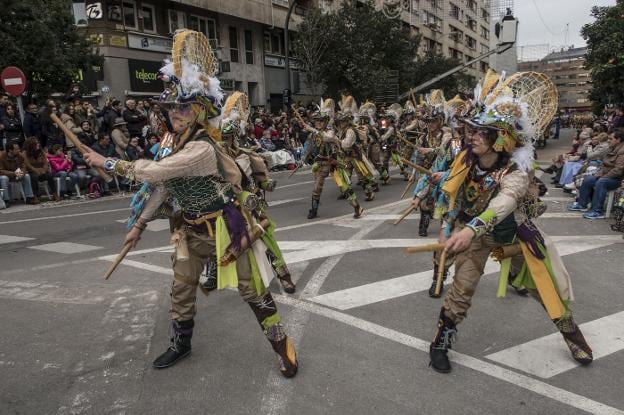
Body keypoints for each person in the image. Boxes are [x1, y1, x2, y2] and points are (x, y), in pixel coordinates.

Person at [84, 29, 299, 376]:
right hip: (190, 230)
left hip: (227, 227)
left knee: (252, 290)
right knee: (181, 287)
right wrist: (139, 225)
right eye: (171, 109)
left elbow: (155, 172)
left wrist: (107, 162)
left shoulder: (199, 148)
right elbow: (166, 187)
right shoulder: (175, 143)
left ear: (200, 111)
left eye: (184, 108)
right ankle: (179, 344)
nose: (176, 114)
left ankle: (282, 345)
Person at [428, 73, 592, 374]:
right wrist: (443, 186)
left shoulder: (516, 171)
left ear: (500, 139)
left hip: (513, 235)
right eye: (472, 130)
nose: (472, 136)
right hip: (474, 237)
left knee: (544, 288)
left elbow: (506, 201)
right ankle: (440, 344)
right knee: (461, 289)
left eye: (481, 132)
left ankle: (571, 334)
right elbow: (454, 187)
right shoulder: (465, 159)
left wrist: (471, 229)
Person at [302, 98, 363, 219]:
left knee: (344, 186)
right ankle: (314, 210)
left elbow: (327, 138)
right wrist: (304, 157)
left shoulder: (330, 132)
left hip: (334, 163)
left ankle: (356, 206)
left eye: (320, 121)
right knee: (316, 188)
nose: (317, 123)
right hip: (320, 163)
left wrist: (313, 130)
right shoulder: (313, 134)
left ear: (325, 122)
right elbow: (309, 147)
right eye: (316, 121)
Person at [568, 131, 624, 219]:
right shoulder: (612, 148)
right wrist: (599, 174)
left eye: (611, 139)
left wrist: (603, 176)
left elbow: (618, 170)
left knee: (601, 182)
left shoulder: (622, 151)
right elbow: (603, 164)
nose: (608, 141)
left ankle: (598, 211)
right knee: (588, 179)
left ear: (619, 140)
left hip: (617, 179)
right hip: (607, 175)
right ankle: (582, 204)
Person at [0, 142, 38, 206]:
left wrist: (21, 174)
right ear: (10, 150)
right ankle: (6, 200)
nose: (19, 150)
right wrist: (13, 173)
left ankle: (29, 197)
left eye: (18, 149)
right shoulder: (2, 157)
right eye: (16, 149)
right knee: (4, 178)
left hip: (17, 174)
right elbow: (1, 170)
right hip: (6, 175)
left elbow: (23, 166)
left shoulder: (20, 156)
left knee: (26, 176)